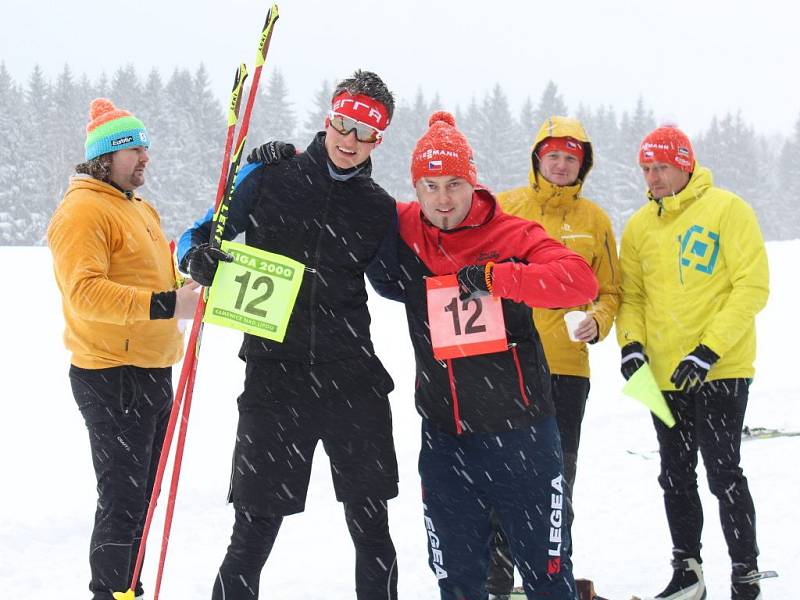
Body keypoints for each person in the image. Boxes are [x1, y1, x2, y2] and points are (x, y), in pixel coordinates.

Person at [177, 70, 400, 600]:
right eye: (343, 125)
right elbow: (200, 233)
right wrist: (197, 257)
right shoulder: (269, 175)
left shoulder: (378, 207)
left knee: (372, 531)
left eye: (364, 133)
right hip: (275, 379)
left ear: (379, 140)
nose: (349, 142)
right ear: (329, 118)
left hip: (353, 379)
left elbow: (396, 283)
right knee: (253, 530)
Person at [368, 111, 599, 599]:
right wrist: (277, 163)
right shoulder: (405, 225)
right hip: (446, 441)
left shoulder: (510, 234)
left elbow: (580, 280)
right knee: (458, 581)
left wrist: (500, 278)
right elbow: (339, 195)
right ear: (416, 187)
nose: (443, 199)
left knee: (548, 578)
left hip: (524, 436)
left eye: (455, 184)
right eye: (429, 186)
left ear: (472, 182)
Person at [47, 98, 199, 600]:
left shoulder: (137, 208)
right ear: (106, 156)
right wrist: (165, 304)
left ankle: (128, 588)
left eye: (145, 147)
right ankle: (109, 592)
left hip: (153, 369)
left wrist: (190, 290)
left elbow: (156, 279)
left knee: (144, 498)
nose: (145, 157)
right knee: (123, 499)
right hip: (113, 373)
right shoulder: (83, 211)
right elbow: (84, 292)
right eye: (134, 148)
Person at [616, 126, 770, 600]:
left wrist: (708, 350)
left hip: (721, 367)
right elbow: (633, 296)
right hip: (663, 376)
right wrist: (632, 345)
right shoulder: (640, 225)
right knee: (675, 474)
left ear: (685, 163)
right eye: (646, 168)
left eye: (660, 166)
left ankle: (745, 573)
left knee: (723, 470)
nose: (653, 177)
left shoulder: (728, 210)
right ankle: (688, 571)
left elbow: (752, 286)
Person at [486, 116, 621, 600]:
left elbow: (611, 291)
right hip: (508, 362)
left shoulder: (597, 220)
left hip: (568, 368)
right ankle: (496, 585)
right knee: (501, 476)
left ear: (582, 164)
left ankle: (551, 581)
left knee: (556, 483)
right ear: (537, 160)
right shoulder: (506, 207)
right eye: (553, 156)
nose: (562, 165)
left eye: (571, 158)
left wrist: (599, 322)